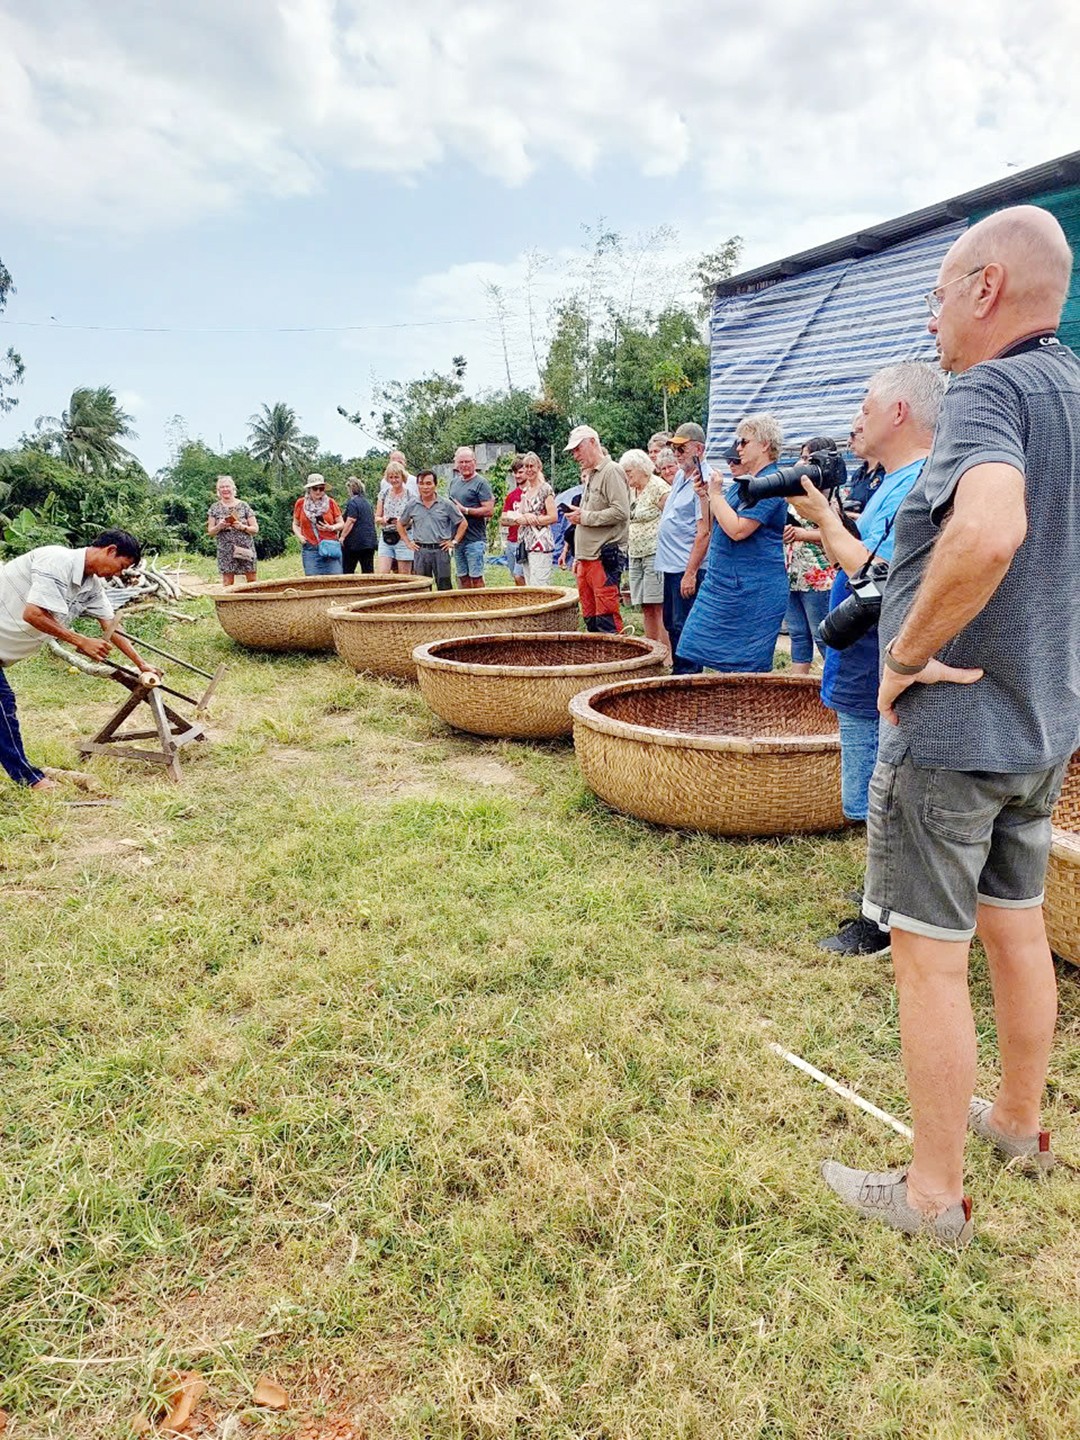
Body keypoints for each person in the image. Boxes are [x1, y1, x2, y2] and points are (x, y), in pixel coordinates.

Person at [819, 204, 1080, 1246]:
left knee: (927, 957)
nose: (931, 321)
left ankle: (932, 1196)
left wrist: (908, 653)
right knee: (1019, 931)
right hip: (1044, 729)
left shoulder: (988, 394)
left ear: (985, 290)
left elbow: (992, 529)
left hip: (956, 735)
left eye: (937, 295)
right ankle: (1020, 1122)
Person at [790, 364, 945, 957]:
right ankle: (883, 899)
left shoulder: (918, 485)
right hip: (863, 658)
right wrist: (831, 518)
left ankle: (884, 920)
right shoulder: (893, 480)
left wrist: (825, 519)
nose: (856, 418)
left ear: (899, 412)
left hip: (883, 660)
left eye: (865, 405)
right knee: (871, 789)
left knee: (886, 791)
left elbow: (879, 577)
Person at [0, 530, 161, 790]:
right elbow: (33, 614)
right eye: (121, 566)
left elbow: (112, 627)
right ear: (110, 550)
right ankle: (30, 779)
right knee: (3, 710)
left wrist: (141, 664)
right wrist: (79, 640)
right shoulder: (57, 561)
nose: (118, 574)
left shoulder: (91, 587)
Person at [677, 414, 789, 672]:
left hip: (753, 590)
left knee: (747, 669)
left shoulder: (771, 483)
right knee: (698, 645)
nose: (737, 448)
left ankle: (749, 711)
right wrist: (706, 496)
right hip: (727, 585)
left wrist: (715, 494)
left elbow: (738, 530)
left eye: (743, 442)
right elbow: (718, 519)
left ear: (764, 444)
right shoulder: (745, 484)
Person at [653, 422, 713, 673]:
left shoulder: (704, 480)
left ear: (698, 449)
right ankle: (681, 673)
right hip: (672, 565)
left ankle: (688, 676)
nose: (676, 454)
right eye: (674, 448)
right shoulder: (681, 475)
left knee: (684, 625)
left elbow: (704, 532)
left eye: (682, 448)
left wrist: (690, 573)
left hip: (687, 566)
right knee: (672, 622)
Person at [563, 426, 631, 633]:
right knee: (591, 618)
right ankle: (600, 661)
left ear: (593, 442)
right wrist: (581, 514)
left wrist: (585, 517)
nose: (575, 455)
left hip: (603, 557)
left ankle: (616, 661)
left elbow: (621, 512)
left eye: (577, 449)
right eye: (573, 451)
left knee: (607, 618)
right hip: (588, 558)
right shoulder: (592, 473)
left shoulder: (611, 471)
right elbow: (600, 510)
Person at [783, 440, 837, 675]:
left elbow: (837, 532)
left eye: (810, 459)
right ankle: (798, 686)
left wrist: (803, 534)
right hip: (792, 573)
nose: (804, 464)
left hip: (819, 575)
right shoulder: (794, 493)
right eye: (803, 458)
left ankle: (833, 681)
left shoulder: (831, 495)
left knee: (822, 633)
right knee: (797, 633)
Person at [620, 448, 671, 656]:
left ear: (642, 469)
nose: (627, 476)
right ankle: (651, 651)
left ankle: (667, 653)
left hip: (655, 552)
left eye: (629, 471)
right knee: (644, 604)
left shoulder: (659, 487)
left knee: (658, 604)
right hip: (636, 553)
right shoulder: (632, 491)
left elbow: (671, 518)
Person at [397, 470, 467, 590]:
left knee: (444, 586)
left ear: (435, 485)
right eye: (421, 483)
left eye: (429, 483)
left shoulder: (446, 504)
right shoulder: (412, 504)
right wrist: (407, 542)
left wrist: (454, 541)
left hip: (441, 550)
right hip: (421, 551)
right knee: (422, 586)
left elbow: (463, 523)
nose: (425, 487)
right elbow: (400, 523)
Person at [506, 452, 557, 586]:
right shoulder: (526, 491)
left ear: (538, 467)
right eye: (526, 467)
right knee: (529, 584)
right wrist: (520, 518)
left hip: (541, 543)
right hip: (525, 543)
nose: (529, 470)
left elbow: (553, 516)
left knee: (539, 584)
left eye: (531, 466)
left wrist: (533, 519)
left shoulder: (546, 489)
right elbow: (520, 514)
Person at [448, 447, 494, 588]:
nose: (464, 465)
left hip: (474, 539)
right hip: (458, 540)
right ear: (456, 464)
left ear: (474, 462)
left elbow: (489, 510)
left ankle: (481, 606)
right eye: (461, 462)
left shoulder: (481, 483)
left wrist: (466, 510)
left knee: (476, 577)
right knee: (462, 577)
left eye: (467, 461)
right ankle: (468, 607)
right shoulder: (454, 483)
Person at [207, 475, 258, 586]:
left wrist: (242, 527)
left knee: (252, 579)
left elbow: (255, 529)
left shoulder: (244, 505)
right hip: (225, 549)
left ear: (233, 488)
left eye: (227, 486)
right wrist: (219, 526)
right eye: (222, 487)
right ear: (218, 490)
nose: (225, 489)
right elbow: (210, 532)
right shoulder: (214, 508)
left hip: (245, 547)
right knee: (227, 581)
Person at [292, 474, 344, 576]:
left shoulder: (331, 503)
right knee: (313, 582)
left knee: (335, 580)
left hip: (330, 546)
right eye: (315, 488)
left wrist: (331, 527)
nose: (318, 492)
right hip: (310, 548)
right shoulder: (300, 503)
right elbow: (295, 524)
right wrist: (300, 536)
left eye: (321, 489)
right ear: (309, 489)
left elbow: (341, 523)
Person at [373, 462, 414, 575]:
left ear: (402, 477)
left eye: (396, 477)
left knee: (404, 576)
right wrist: (384, 520)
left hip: (404, 536)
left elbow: (414, 518)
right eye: (391, 477)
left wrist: (402, 521)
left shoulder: (411, 495)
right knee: (383, 574)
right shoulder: (383, 494)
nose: (394, 480)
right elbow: (376, 517)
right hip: (387, 535)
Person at [340, 477, 377, 575]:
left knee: (348, 570)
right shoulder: (368, 503)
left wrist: (342, 537)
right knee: (368, 571)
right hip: (369, 542)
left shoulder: (352, 503)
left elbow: (351, 520)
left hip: (354, 543)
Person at [500, 456, 527, 585]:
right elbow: (503, 520)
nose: (517, 475)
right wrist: (519, 520)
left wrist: (515, 518)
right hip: (511, 541)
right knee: (515, 577)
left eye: (520, 472)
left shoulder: (534, 493)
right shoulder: (511, 496)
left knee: (519, 575)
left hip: (525, 541)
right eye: (515, 472)